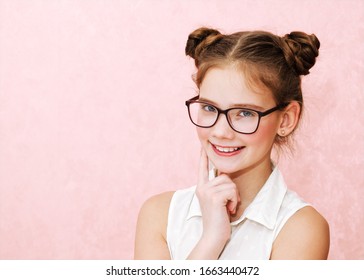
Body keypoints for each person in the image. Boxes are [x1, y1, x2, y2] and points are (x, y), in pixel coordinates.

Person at [134, 27, 330, 260]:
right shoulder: (160, 215)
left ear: (286, 119)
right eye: (209, 108)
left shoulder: (301, 228)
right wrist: (211, 240)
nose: (220, 131)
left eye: (245, 113)